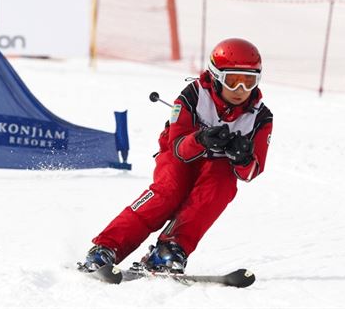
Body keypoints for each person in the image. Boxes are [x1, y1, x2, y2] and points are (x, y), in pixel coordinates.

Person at [80, 38, 273, 274]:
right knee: (169, 191)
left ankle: (171, 248)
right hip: (180, 155)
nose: (240, 91)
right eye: (233, 81)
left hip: (217, 164)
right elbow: (178, 147)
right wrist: (201, 139)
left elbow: (253, 170)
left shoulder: (260, 117)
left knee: (221, 187)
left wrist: (242, 158)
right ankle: (107, 247)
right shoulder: (194, 96)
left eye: (249, 81)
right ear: (216, 76)